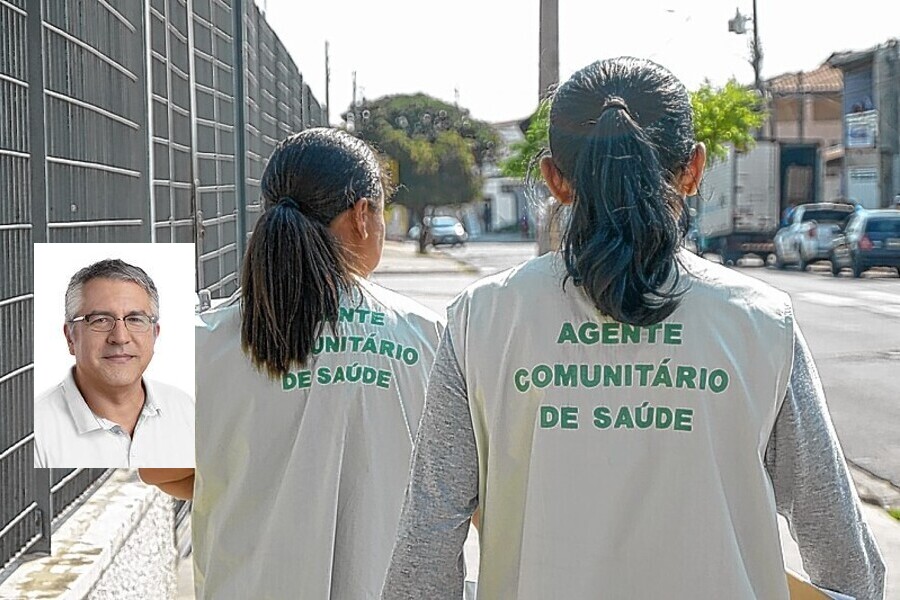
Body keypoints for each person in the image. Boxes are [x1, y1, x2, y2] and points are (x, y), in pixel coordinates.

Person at [381, 57, 884, 600]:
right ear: (693, 169)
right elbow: (844, 556)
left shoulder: (482, 318)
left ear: (554, 179)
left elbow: (427, 546)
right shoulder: (761, 320)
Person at [141, 128, 443, 599]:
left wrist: (252, 477)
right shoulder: (426, 334)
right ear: (363, 215)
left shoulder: (199, 340)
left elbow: (157, 470)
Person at [34, 259, 194, 468]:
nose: (120, 337)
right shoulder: (35, 432)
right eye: (100, 320)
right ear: (70, 337)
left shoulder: (186, 409)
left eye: (135, 319)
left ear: (155, 334)